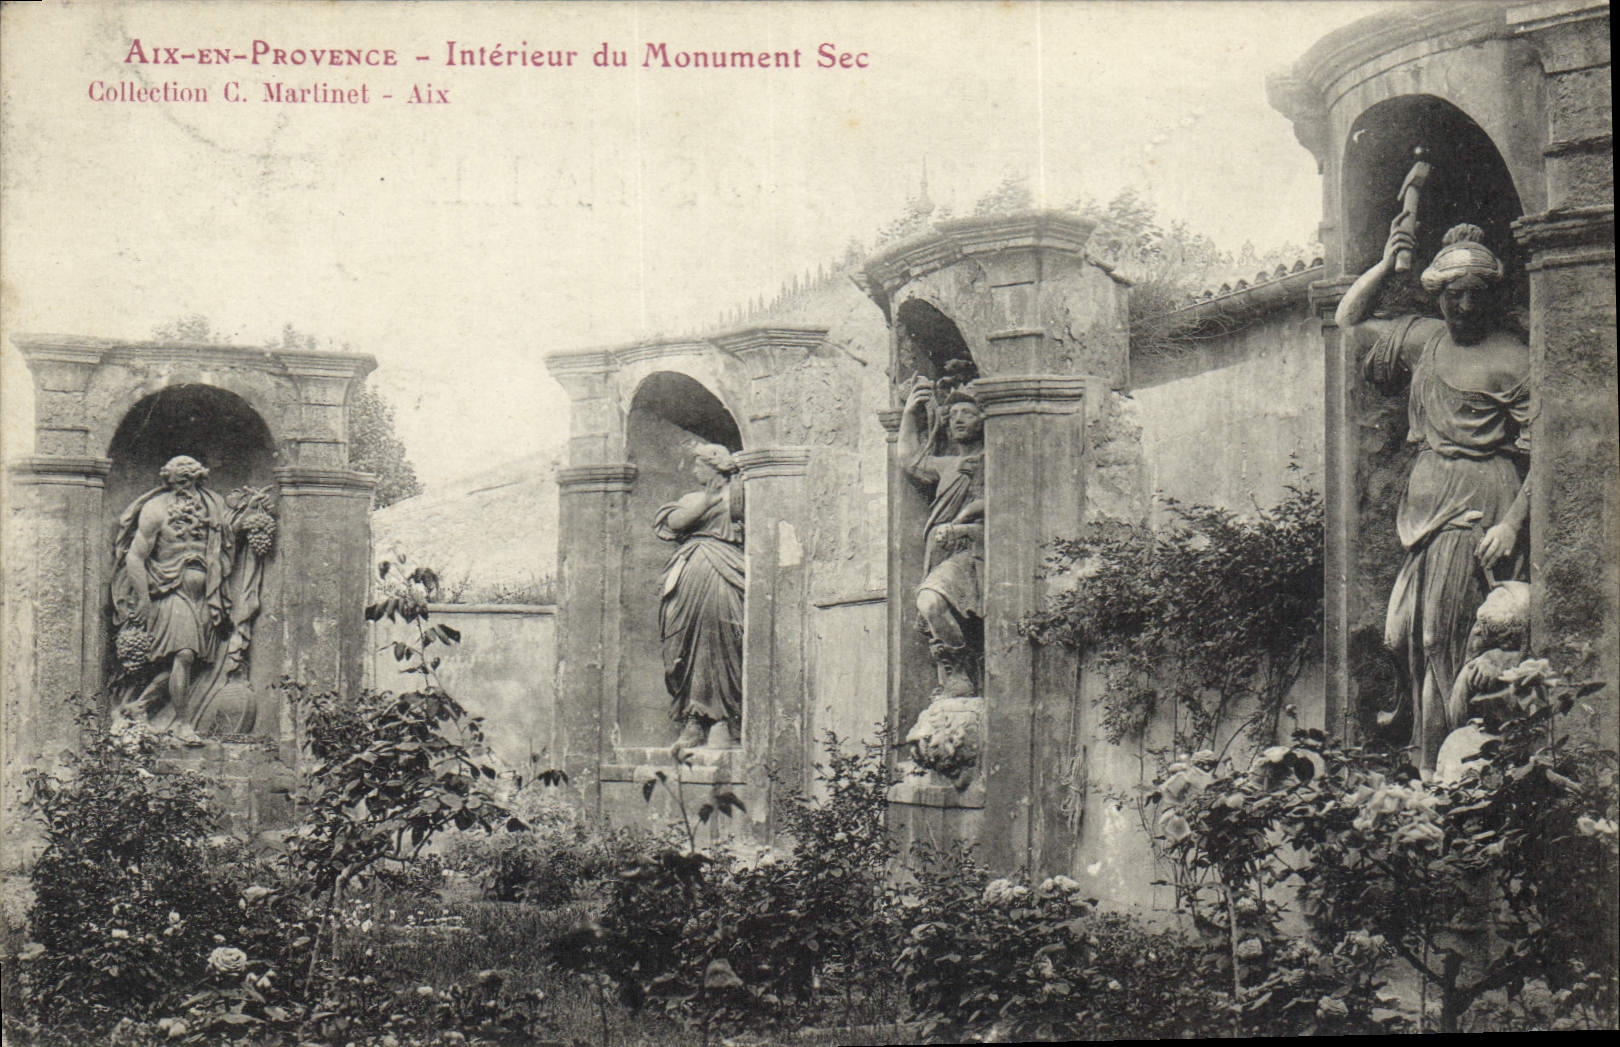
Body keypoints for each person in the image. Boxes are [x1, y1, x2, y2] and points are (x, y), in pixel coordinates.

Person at [1336, 219, 1533, 773]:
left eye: (1476, 293)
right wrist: (1383, 264)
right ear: (1437, 295)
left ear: (1492, 295)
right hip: (1423, 510)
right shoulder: (1425, 340)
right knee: (1409, 637)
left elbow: (1545, 451)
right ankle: (1429, 759)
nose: (1465, 305)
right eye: (1453, 294)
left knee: (1442, 636)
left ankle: (1450, 765)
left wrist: (1512, 526)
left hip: (1479, 504)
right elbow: (1348, 323)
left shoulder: (1511, 358)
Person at [111, 455, 236, 732]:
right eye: (177, 475)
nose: (183, 479)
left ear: (199, 477)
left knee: (190, 662)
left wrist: (254, 514)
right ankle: (183, 724)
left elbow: (231, 533)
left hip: (205, 596)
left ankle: (140, 706)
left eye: (189, 474)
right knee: (185, 655)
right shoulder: (155, 509)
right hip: (169, 592)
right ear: (166, 477)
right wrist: (143, 599)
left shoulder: (214, 506)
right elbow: (135, 557)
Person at [897, 373, 985, 699]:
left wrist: (963, 520)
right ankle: (955, 673)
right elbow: (909, 461)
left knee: (930, 601)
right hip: (941, 548)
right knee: (932, 607)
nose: (958, 419)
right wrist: (908, 415)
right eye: (953, 415)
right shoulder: (948, 464)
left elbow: (1000, 501)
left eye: (968, 413)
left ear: (985, 419)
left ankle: (960, 667)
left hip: (973, 548)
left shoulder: (993, 459)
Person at [655, 443, 746, 749]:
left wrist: (729, 490)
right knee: (684, 641)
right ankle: (692, 719)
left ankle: (722, 718)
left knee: (722, 638)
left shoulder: (739, 496)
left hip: (727, 572)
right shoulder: (693, 499)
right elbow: (674, 523)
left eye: (698, 465)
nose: (693, 470)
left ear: (713, 467)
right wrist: (709, 499)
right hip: (689, 577)